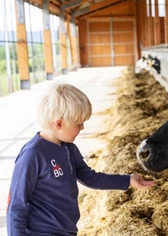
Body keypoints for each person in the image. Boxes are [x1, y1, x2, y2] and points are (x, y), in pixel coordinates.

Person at [6, 82, 155, 235]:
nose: (82, 128)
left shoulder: (69, 149)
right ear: (59, 124)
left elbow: (91, 178)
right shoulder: (32, 155)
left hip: (67, 230)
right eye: (78, 123)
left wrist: (128, 180)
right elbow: (16, 205)